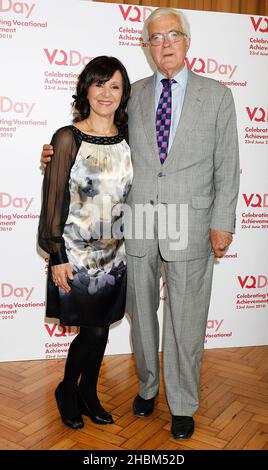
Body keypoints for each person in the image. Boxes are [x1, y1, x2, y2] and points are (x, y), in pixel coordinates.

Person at [40, 8, 239, 440]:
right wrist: (54, 155)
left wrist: (223, 221)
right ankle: (148, 388)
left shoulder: (218, 95)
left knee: (186, 319)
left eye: (173, 35)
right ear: (146, 47)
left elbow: (228, 164)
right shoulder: (135, 95)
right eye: (155, 37)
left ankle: (183, 403)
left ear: (187, 41)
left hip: (191, 222)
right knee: (142, 318)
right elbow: (99, 140)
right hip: (138, 223)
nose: (165, 43)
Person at [38, 56, 132, 429]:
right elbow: (53, 202)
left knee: (101, 328)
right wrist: (56, 255)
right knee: (91, 329)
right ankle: (68, 390)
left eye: (115, 86)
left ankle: (88, 392)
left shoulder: (129, 140)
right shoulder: (67, 137)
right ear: (85, 89)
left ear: (123, 94)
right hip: (75, 255)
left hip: (117, 254)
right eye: (99, 84)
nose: (106, 93)